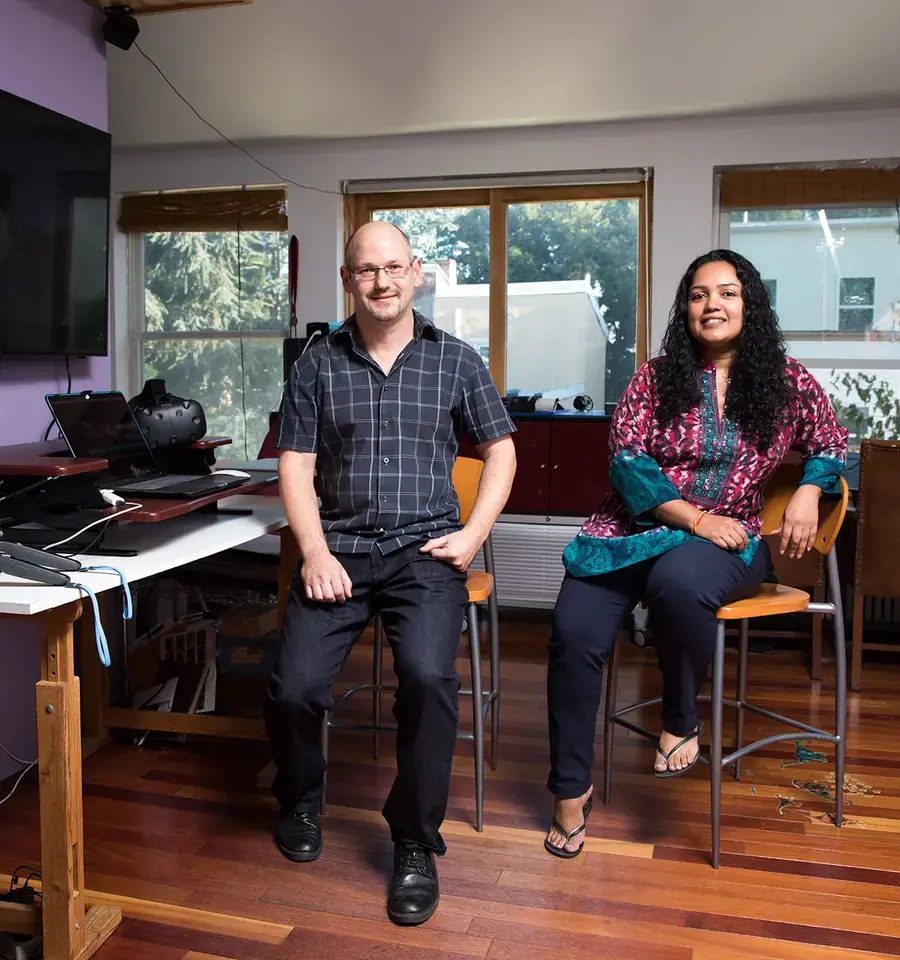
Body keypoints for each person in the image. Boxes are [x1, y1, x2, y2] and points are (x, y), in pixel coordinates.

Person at [543, 249, 848, 858]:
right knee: (573, 631)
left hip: (731, 539)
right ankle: (570, 792)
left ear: (750, 304)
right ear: (685, 309)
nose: (713, 304)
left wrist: (810, 488)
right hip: (630, 532)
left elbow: (834, 442)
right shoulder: (653, 378)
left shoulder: (789, 381)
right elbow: (628, 463)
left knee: (680, 585)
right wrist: (695, 519)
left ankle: (681, 718)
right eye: (699, 294)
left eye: (728, 292)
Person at [266, 220, 517, 924]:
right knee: (293, 690)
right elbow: (296, 463)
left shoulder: (457, 359)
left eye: (394, 268)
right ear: (348, 281)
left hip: (423, 552)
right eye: (366, 270)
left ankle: (413, 840)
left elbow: (501, 451)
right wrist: (314, 552)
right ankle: (300, 803)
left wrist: (473, 534)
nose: (382, 281)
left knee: (431, 679)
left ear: (417, 274)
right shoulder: (318, 361)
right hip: (339, 548)